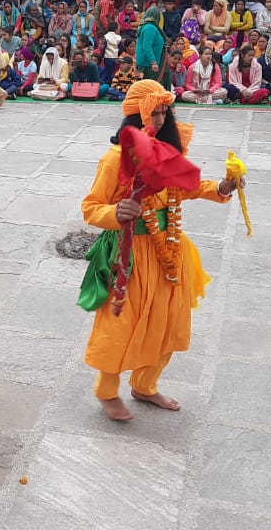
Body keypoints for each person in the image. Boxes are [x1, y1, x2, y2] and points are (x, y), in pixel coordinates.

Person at [79, 81, 239, 421]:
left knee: (168, 322)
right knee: (121, 324)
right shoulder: (115, 159)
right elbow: (91, 207)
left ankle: (145, 385)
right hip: (130, 254)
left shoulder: (168, 152)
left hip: (170, 250)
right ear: (136, 116)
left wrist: (221, 188)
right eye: (155, 112)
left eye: (166, 112)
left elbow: (188, 187)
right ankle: (107, 391)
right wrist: (116, 213)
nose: (162, 119)